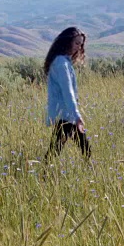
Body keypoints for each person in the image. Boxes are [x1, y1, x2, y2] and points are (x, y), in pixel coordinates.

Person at [43, 27, 91, 162]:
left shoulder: (63, 61)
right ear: (67, 42)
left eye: (81, 44)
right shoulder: (61, 63)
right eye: (76, 43)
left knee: (83, 149)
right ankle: (43, 176)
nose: (79, 47)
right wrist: (77, 116)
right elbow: (67, 92)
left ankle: (44, 176)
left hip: (66, 115)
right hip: (65, 115)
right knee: (57, 152)